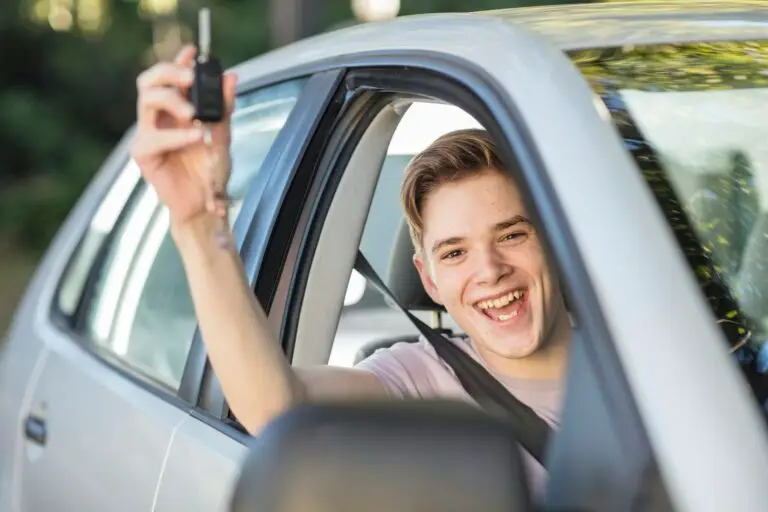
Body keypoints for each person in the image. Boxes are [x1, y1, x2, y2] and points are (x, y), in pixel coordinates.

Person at [132, 46, 572, 493]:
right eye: (455, 253)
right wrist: (199, 226)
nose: (491, 271)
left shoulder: (636, 351)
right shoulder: (420, 378)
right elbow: (278, 407)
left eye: (512, 235)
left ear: (556, 240)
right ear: (428, 279)